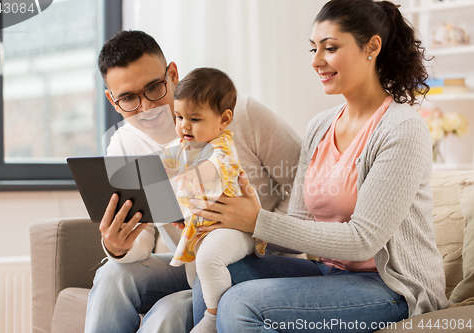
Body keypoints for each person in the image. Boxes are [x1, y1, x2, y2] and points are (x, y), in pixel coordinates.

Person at [190, 1, 450, 332]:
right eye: (313, 49)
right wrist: (233, 220)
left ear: (372, 47)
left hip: (392, 289)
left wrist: (259, 220)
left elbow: (362, 241)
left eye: (329, 48)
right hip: (331, 274)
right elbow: (297, 229)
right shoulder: (320, 127)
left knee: (242, 303)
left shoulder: (402, 128)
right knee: (211, 275)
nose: (316, 61)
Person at [84, 30, 304, 333]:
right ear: (113, 101)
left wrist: (257, 223)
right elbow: (144, 240)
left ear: (172, 75)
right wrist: (118, 245)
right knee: (112, 274)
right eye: (129, 99)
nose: (147, 108)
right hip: (190, 259)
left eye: (154, 88)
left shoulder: (241, 114)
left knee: (167, 312)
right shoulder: (124, 146)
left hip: (256, 258)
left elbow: (308, 187)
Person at [161, 67, 267, 333]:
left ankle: (213, 316)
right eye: (179, 116)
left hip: (236, 229)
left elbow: (211, 170)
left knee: (208, 259)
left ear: (224, 119)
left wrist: (180, 183)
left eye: (194, 119)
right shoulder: (184, 146)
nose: (184, 125)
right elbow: (161, 163)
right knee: (194, 269)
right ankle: (208, 302)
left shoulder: (222, 147)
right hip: (205, 228)